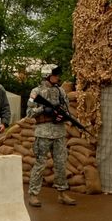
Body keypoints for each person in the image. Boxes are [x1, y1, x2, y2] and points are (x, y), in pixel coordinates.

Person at [26, 65, 77, 208]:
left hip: (59, 132)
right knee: (40, 164)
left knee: (61, 164)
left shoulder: (60, 91)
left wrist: (61, 113)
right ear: (47, 75)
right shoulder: (36, 92)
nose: (58, 77)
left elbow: (66, 109)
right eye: (55, 75)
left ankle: (62, 193)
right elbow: (29, 113)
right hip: (43, 133)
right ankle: (33, 194)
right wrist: (43, 109)